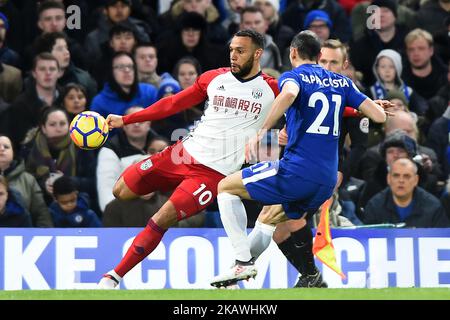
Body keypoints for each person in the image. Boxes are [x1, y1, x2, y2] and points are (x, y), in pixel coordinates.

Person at [97, 29, 279, 289]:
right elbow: (172, 104)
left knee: (162, 218)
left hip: (211, 175)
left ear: (258, 53)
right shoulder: (213, 79)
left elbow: (308, 105)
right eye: (231, 50)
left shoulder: (273, 89)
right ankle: (171, 189)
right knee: (121, 191)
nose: (233, 56)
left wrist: (357, 111)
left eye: (241, 51)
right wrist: (126, 119)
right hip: (181, 153)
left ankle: (113, 277)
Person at [209, 30, 387, 288]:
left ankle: (243, 262)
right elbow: (379, 117)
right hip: (325, 180)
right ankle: (244, 268)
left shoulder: (293, 77)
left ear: (293, 53)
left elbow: (290, 94)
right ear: (318, 55)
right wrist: (375, 105)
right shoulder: (343, 83)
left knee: (225, 187)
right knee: (268, 218)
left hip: (298, 170)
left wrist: (262, 131)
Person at [364, 158, 450, 227]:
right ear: (389, 179)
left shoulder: (433, 207)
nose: (401, 180)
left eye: (407, 176)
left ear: (416, 180)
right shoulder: (375, 206)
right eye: (396, 176)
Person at [0, 134, 53, 227]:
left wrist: (43, 238)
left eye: (6, 147)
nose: (2, 149)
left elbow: (41, 214)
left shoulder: (28, 180)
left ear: (13, 152)